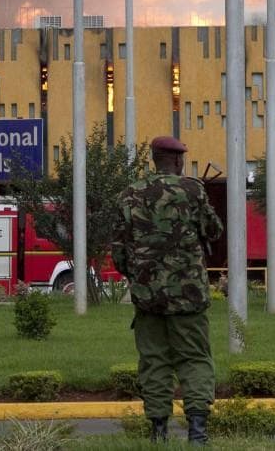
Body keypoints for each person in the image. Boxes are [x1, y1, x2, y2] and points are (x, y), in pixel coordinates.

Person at [112, 135, 224, 445]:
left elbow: (119, 250)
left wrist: (139, 278)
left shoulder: (129, 194)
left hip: (148, 298)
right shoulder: (193, 190)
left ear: (154, 159)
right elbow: (213, 230)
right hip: (189, 296)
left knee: (154, 360)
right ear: (177, 160)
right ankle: (197, 432)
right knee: (195, 359)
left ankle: (158, 431)